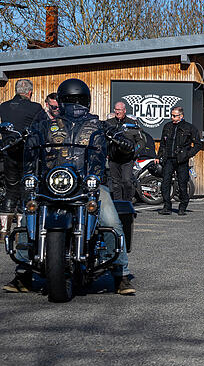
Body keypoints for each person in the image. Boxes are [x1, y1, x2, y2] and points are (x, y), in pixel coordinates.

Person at [5, 78, 135, 294]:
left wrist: (123, 142)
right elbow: (30, 143)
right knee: (29, 214)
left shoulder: (99, 126)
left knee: (112, 220)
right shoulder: (45, 126)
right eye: (70, 100)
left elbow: (121, 147)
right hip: (53, 182)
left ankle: (121, 274)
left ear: (87, 102)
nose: (75, 105)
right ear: (61, 101)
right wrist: (16, 142)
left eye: (79, 101)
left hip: (89, 184)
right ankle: (23, 273)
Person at [0, 79, 46, 213]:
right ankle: (24, 218)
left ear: (16, 90)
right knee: (27, 188)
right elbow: (42, 128)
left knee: (11, 189)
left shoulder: (3, 106)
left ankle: (6, 219)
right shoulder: (35, 107)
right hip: (27, 153)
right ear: (30, 92)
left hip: (8, 152)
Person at [157, 105, 201, 215]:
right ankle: (167, 206)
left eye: (175, 116)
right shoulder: (167, 126)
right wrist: (158, 156)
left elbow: (198, 145)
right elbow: (162, 143)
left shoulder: (189, 128)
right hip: (168, 159)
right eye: (171, 115)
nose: (172, 118)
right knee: (165, 183)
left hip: (181, 160)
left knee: (182, 183)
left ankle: (183, 206)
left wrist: (187, 154)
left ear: (181, 116)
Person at [105, 101, 145, 202]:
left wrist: (133, 153)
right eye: (116, 110)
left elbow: (141, 141)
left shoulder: (132, 123)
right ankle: (118, 203)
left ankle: (127, 202)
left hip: (127, 159)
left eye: (120, 110)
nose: (117, 112)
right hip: (113, 159)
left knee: (127, 181)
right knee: (115, 183)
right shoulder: (109, 123)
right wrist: (106, 152)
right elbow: (102, 140)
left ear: (124, 110)